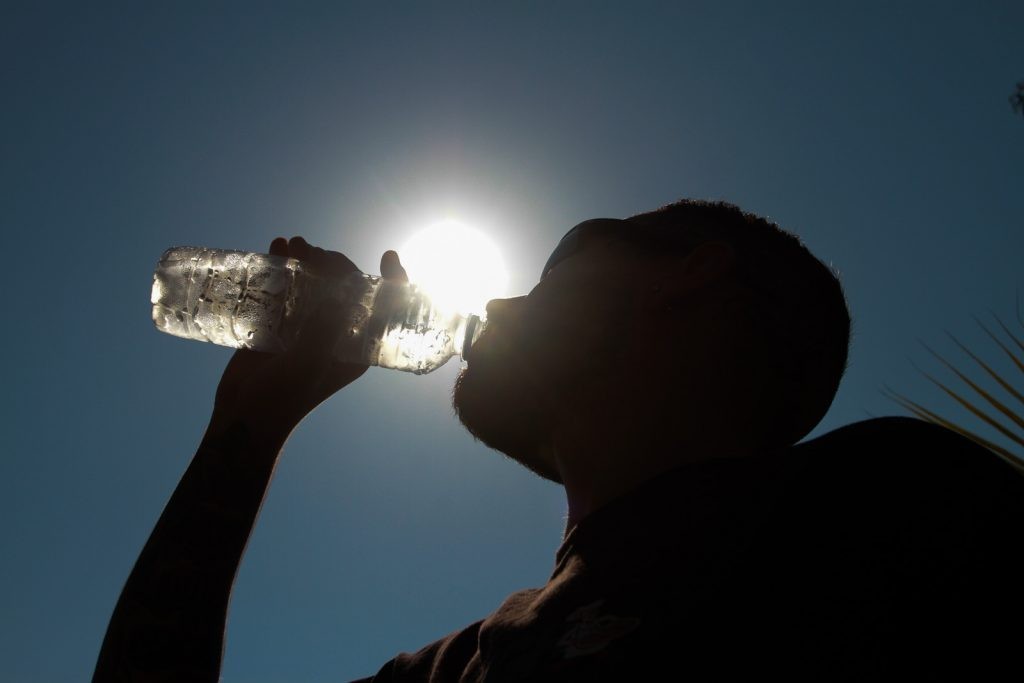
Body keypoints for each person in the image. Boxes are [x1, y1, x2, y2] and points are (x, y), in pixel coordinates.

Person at [94, 200, 1024, 681]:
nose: (497, 302)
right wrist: (248, 428)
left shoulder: (889, 508)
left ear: (691, 275)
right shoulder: (471, 664)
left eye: (559, 262)